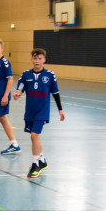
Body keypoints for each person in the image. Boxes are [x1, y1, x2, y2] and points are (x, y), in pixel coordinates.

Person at [13, 48, 65, 178]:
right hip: (30, 111)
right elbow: (20, 87)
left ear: (44, 60)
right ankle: (42, 160)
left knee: (34, 135)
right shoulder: (26, 75)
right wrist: (18, 93)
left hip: (42, 111)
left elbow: (56, 93)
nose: (37, 61)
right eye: (35, 58)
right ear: (31, 59)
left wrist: (60, 109)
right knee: (34, 137)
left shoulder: (50, 75)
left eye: (40, 58)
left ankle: (35, 164)